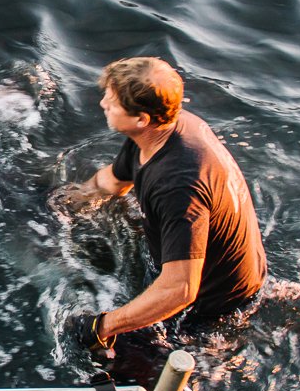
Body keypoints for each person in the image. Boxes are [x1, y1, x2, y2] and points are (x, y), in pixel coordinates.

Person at [52, 57, 266, 358]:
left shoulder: (178, 187)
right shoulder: (159, 133)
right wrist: (61, 204)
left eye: (111, 103)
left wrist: (102, 326)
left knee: (99, 355)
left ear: (141, 119)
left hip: (216, 309)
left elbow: (180, 290)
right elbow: (110, 182)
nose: (102, 104)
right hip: (205, 273)